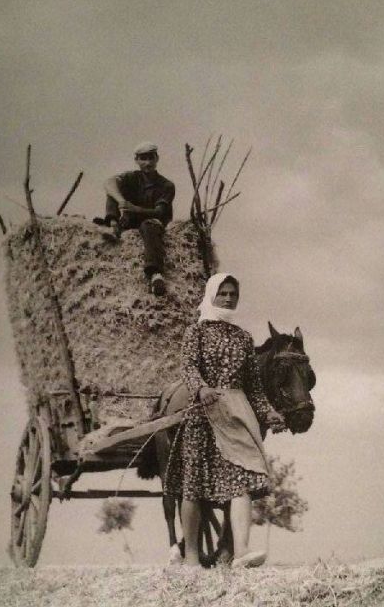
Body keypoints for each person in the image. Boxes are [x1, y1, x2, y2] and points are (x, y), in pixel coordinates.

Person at [164, 273, 284, 568]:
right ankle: (191, 556)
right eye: (224, 293)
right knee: (193, 486)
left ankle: (241, 552)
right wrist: (201, 388)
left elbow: (254, 387)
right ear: (212, 295)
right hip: (202, 417)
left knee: (241, 481)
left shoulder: (243, 338)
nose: (229, 298)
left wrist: (269, 412)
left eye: (233, 294)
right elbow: (189, 368)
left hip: (235, 415)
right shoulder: (197, 332)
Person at [99, 142, 175, 296]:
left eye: (150, 158)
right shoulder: (132, 177)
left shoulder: (166, 185)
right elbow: (108, 183)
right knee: (113, 191)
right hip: (131, 220)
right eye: (143, 159)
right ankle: (113, 225)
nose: (147, 163)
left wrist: (134, 209)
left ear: (157, 158)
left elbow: (160, 212)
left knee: (149, 226)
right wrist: (121, 201)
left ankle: (155, 274)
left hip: (152, 221)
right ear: (137, 160)